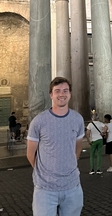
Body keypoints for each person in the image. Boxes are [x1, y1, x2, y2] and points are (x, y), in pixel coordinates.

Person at [27, 76, 85, 216]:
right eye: (57, 91)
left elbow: (77, 148)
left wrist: (69, 165)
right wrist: (45, 173)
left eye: (65, 90)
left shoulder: (77, 119)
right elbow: (30, 153)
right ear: (51, 95)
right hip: (45, 189)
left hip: (72, 186)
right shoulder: (39, 121)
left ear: (70, 94)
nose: (62, 94)